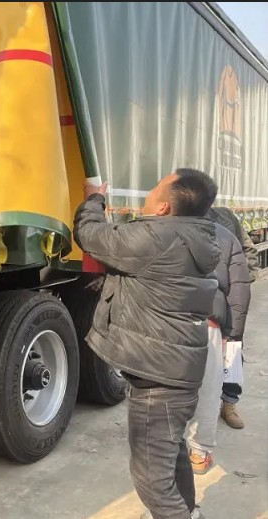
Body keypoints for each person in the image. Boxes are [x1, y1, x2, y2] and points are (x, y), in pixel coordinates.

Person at [74, 168, 220, 519]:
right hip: (173, 372)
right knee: (172, 456)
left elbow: (90, 235)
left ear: (164, 207)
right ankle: (189, 512)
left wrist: (93, 198)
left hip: (159, 379)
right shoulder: (192, 236)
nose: (149, 193)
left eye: (155, 189)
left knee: (152, 482)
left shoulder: (156, 238)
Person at [185, 221, 251, 474]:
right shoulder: (223, 233)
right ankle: (198, 453)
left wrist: (232, 335)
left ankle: (229, 404)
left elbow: (239, 284)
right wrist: (232, 334)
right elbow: (240, 289)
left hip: (180, 321)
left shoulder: (156, 229)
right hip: (207, 321)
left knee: (191, 388)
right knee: (208, 389)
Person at [207, 206, 259, 429]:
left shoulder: (226, 217)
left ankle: (229, 403)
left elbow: (247, 248)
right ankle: (200, 405)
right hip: (199, 302)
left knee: (232, 350)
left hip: (228, 300)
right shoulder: (181, 215)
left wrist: (244, 279)